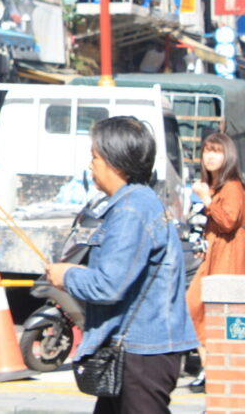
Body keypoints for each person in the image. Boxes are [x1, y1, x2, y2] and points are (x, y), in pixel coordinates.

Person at [47, 116, 197, 414]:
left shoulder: (132, 209)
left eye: (95, 157)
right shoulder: (137, 202)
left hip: (142, 353)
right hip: (136, 349)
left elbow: (108, 285)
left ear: (116, 162)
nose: (91, 166)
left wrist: (67, 275)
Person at [184, 131, 245, 391]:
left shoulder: (232, 186)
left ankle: (216, 370)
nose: (209, 156)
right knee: (195, 309)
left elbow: (229, 221)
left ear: (228, 155)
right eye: (206, 150)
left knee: (215, 314)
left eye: (216, 151)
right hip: (214, 258)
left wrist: (207, 199)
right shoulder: (220, 186)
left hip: (228, 261)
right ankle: (210, 368)